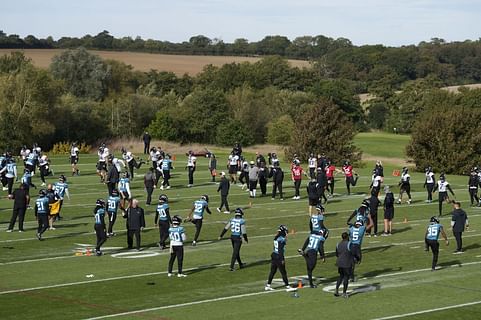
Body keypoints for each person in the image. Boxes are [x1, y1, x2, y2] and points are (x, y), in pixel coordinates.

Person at [264, 225, 297, 292]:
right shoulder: (281, 239)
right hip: (278, 256)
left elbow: (282, 238)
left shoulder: (276, 238)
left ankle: (268, 285)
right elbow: (280, 250)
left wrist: (290, 234)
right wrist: (282, 259)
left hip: (274, 254)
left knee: (273, 271)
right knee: (283, 272)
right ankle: (287, 286)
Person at [334, 232, 353, 298]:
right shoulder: (349, 244)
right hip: (346, 263)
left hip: (339, 262)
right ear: (347, 237)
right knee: (346, 278)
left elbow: (336, 254)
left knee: (340, 276)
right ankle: (344, 293)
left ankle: (336, 290)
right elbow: (352, 252)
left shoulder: (338, 244)